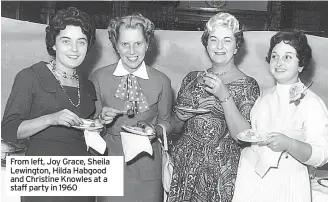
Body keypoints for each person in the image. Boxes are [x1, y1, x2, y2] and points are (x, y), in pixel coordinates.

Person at [1, 7, 97, 202]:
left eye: (81, 42)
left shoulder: (87, 84)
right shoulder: (31, 76)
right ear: (53, 43)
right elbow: (8, 130)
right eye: (66, 41)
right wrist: (50, 119)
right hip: (43, 178)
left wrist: (100, 122)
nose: (74, 49)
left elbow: (86, 132)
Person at [168, 12, 260, 202]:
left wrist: (224, 96)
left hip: (220, 173)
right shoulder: (191, 78)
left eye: (227, 40)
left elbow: (243, 137)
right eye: (214, 40)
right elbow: (175, 128)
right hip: (184, 168)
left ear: (236, 47)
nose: (219, 46)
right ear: (206, 44)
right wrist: (179, 117)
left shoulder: (248, 85)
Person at [232, 30, 328, 202]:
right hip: (251, 177)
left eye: (288, 57)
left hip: (287, 182)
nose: (279, 62)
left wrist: (289, 144)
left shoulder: (312, 103)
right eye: (275, 56)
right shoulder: (264, 97)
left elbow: (321, 156)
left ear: (301, 65)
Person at [90, 13, 173, 202]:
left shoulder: (162, 81)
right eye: (124, 44)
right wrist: (100, 121)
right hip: (109, 162)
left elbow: (167, 122)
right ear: (115, 45)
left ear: (148, 44)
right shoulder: (98, 77)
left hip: (148, 164)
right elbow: (89, 127)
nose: (132, 51)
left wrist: (155, 130)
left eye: (138, 43)